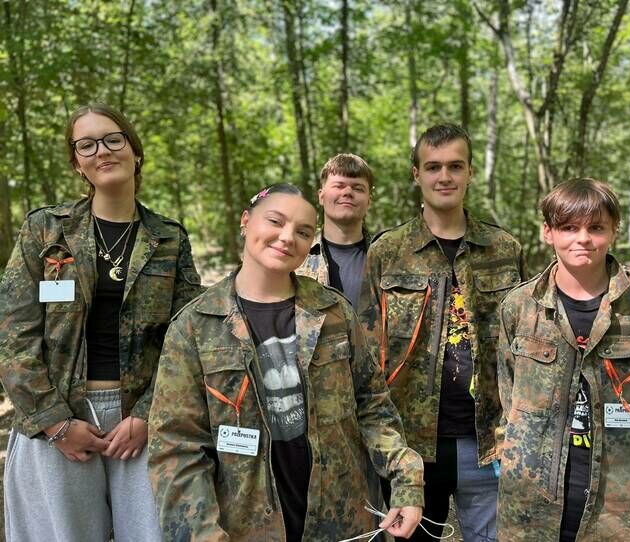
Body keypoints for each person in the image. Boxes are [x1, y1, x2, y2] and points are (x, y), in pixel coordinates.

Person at [148, 183, 424, 542]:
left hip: (342, 519)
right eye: (275, 221)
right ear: (246, 222)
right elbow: (177, 448)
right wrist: (200, 534)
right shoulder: (195, 326)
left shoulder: (334, 313)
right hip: (244, 527)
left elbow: (372, 406)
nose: (287, 237)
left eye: (304, 232)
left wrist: (406, 482)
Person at [0, 103, 203, 542]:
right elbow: (12, 335)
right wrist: (55, 422)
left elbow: (185, 341)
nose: (102, 151)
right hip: (56, 417)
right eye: (87, 145)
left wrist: (148, 414)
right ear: (77, 163)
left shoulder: (168, 238)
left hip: (143, 421)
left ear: (135, 151)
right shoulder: (45, 230)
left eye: (113, 139)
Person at [358, 124, 526, 541]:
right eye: (433, 167)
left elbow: (523, 345)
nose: (444, 176)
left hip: (490, 439)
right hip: (410, 447)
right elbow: (366, 357)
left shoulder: (504, 248)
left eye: (455, 166)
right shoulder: (387, 252)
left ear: (470, 172)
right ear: (416, 174)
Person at [496, 178, 630, 541]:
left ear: (614, 231)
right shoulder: (519, 307)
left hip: (626, 498)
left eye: (596, 227)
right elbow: (507, 394)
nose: (582, 238)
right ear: (548, 232)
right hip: (536, 497)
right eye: (569, 227)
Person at [296, 153, 373, 311]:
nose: (348, 192)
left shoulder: (386, 257)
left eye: (358, 188)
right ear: (321, 196)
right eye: (339, 186)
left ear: (369, 201)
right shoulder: (295, 252)